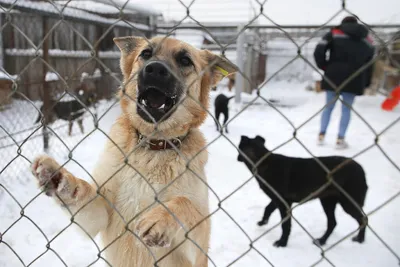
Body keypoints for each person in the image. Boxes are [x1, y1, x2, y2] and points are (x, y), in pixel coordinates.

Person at [314, 16, 374, 149]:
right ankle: (340, 139)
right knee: (346, 109)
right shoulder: (367, 39)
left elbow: (319, 50)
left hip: (333, 75)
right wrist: (366, 81)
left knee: (328, 107)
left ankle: (321, 135)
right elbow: (370, 63)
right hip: (354, 77)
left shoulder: (334, 33)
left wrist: (325, 67)